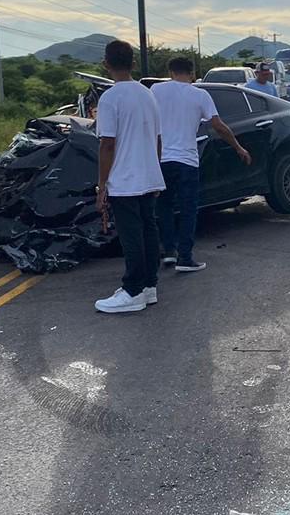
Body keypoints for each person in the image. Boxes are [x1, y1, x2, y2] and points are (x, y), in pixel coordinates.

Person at [151, 56, 252, 273]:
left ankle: (169, 251)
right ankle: (185, 258)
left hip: (161, 160)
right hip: (187, 160)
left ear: (170, 71)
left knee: (164, 207)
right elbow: (218, 126)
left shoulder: (156, 91)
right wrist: (238, 147)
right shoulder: (200, 95)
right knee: (188, 209)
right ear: (192, 73)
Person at [94, 40, 165, 314]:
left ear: (106, 64)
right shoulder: (148, 95)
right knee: (148, 230)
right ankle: (149, 286)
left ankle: (133, 290)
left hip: (125, 179)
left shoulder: (110, 98)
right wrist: (154, 170)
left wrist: (102, 186)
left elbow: (107, 144)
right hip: (148, 175)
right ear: (133, 63)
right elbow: (158, 139)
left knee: (131, 235)